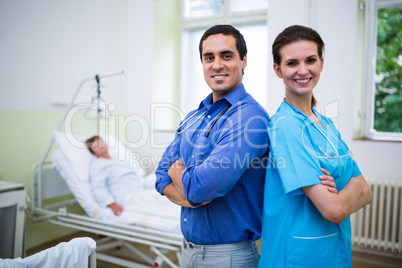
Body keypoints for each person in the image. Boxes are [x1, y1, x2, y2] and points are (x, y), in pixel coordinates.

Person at [155, 24, 270, 267]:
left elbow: (199, 188)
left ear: (244, 61)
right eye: (209, 57)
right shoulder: (195, 116)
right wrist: (190, 196)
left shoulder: (249, 118)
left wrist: (179, 173)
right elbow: (159, 174)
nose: (216, 64)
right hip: (188, 250)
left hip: (227, 257)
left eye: (226, 56)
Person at [259, 25, 372, 268]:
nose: (303, 70)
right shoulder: (286, 126)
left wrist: (345, 193)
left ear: (321, 62)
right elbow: (335, 209)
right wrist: (351, 185)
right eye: (292, 63)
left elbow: (368, 192)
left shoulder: (325, 123)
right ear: (278, 70)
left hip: (332, 251)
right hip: (297, 255)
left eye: (310, 60)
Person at [85, 135, 142, 216]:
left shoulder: (118, 160)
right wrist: (112, 204)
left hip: (138, 188)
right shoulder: (97, 165)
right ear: (93, 153)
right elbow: (98, 188)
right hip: (126, 195)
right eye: (96, 145)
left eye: (101, 142)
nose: (100, 145)